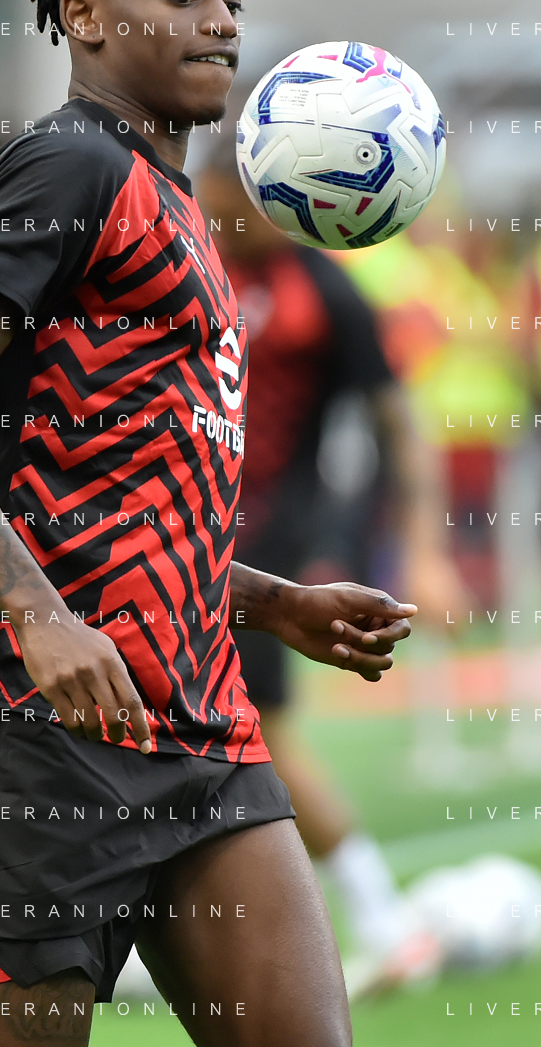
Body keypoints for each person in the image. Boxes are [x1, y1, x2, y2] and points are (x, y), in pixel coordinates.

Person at [0, 0, 416, 1047]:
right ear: (84, 17)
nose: (220, 20)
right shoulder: (67, 168)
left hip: (200, 716)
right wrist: (36, 615)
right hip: (39, 724)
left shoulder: (180, 212)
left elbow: (129, 504)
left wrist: (272, 602)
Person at [195, 134, 469, 995]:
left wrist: (424, 549)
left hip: (262, 551)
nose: (219, 219)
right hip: (167, 539)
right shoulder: (182, 266)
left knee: (259, 733)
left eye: (234, 208)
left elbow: (398, 423)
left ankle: (383, 919)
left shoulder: (325, 289)